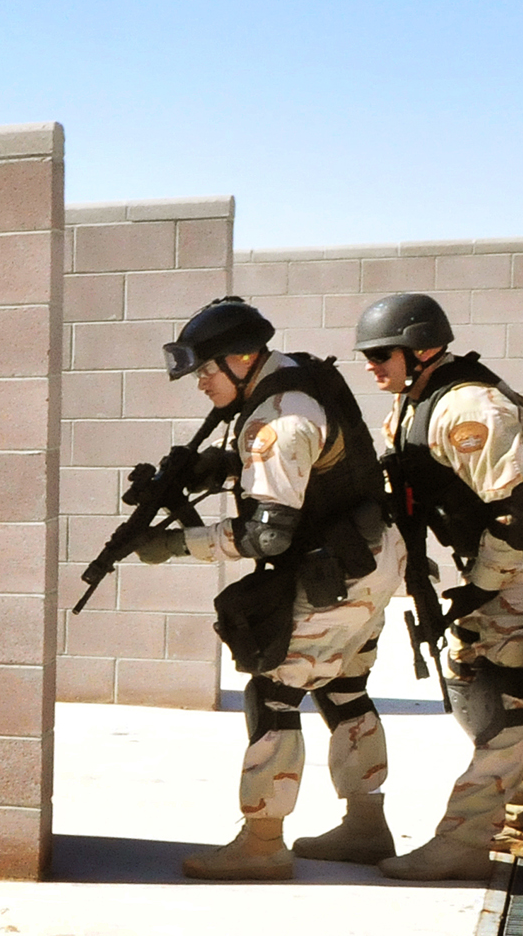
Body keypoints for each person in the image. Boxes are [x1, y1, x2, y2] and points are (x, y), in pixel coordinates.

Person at [136, 298, 405, 880]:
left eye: (208, 370)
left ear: (242, 357)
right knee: (343, 687)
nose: (202, 383)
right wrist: (220, 468)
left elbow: (267, 535)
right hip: (370, 558)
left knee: (274, 693)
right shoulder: (297, 379)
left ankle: (262, 842)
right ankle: (365, 824)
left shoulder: (277, 419)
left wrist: (180, 543)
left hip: (340, 571)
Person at [356, 291, 523, 880]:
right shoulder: (414, 403)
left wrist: (480, 587)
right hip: (496, 562)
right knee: (482, 682)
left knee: (490, 689)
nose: (372, 365)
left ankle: (466, 839)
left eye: (382, 353)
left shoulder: (468, 408)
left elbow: (522, 513)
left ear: (421, 349)